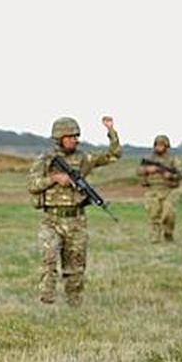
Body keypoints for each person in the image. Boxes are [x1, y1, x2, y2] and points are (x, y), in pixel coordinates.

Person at [27, 116, 122, 306]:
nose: (75, 140)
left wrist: (111, 131)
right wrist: (54, 179)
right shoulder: (46, 160)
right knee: (49, 260)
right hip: (51, 220)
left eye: (76, 136)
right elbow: (32, 185)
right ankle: (46, 302)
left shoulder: (84, 159)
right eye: (70, 136)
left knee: (76, 267)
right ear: (59, 137)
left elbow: (114, 155)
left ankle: (74, 304)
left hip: (76, 221)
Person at [137, 134, 182, 242]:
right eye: (157, 145)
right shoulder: (149, 159)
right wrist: (148, 170)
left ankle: (168, 233)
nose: (159, 147)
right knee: (154, 215)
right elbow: (138, 171)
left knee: (169, 214)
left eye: (162, 145)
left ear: (167, 146)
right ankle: (154, 237)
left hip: (168, 190)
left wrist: (170, 176)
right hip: (152, 190)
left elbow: (181, 173)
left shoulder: (173, 160)